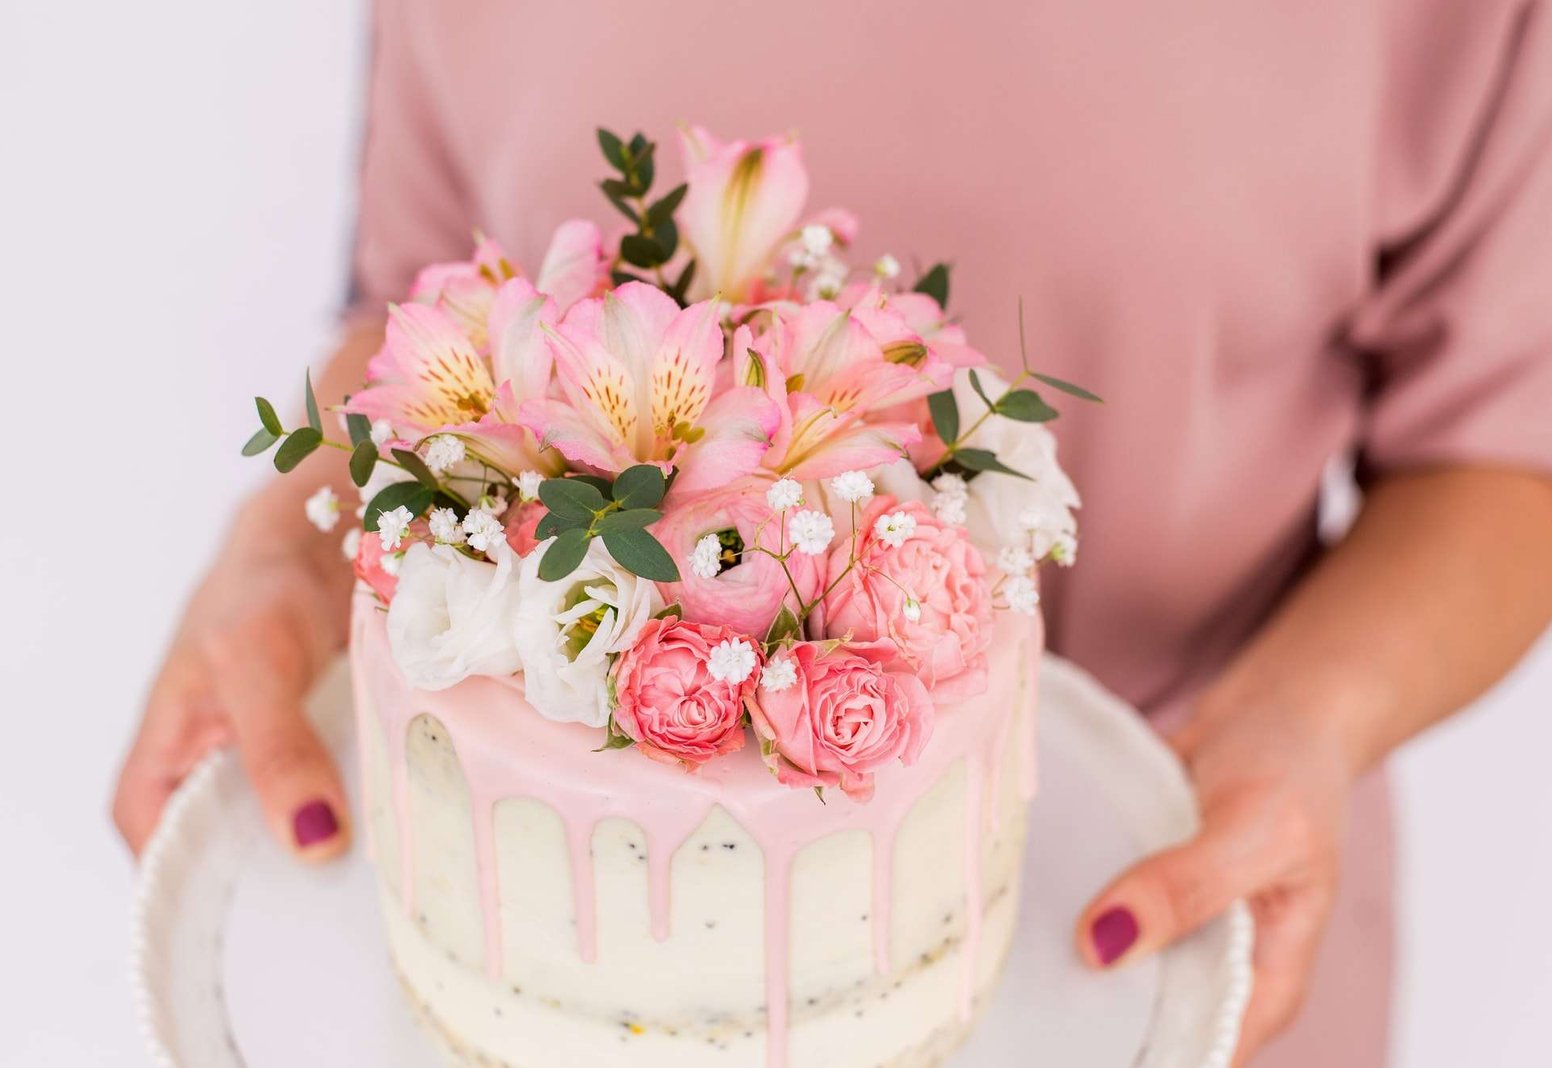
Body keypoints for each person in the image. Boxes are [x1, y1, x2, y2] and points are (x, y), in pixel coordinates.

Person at [112, 2, 1552, 1063]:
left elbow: (1506, 447)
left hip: (1160, 862)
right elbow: (427, 302)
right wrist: (288, 536)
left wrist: (1310, 716)